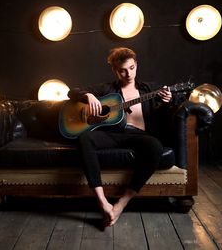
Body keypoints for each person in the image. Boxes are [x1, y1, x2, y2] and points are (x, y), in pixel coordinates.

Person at [67, 47, 173, 227]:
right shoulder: (107, 89)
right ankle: (102, 201)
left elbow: (166, 111)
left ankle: (122, 202)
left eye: (132, 68)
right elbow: (71, 92)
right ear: (115, 71)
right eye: (123, 70)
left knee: (156, 146)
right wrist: (89, 95)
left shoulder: (151, 89)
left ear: (136, 65)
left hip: (139, 135)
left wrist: (168, 101)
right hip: (113, 135)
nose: (128, 74)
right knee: (84, 139)